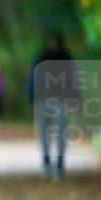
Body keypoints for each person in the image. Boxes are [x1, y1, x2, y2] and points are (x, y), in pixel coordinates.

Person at [28, 34, 76, 179]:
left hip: (54, 99)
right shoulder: (56, 58)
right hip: (47, 99)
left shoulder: (52, 58)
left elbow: (73, 79)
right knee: (48, 132)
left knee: (52, 132)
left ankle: (55, 162)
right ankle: (49, 161)